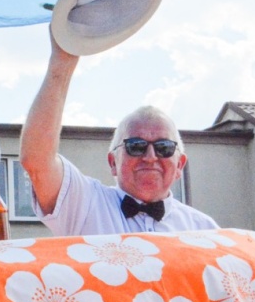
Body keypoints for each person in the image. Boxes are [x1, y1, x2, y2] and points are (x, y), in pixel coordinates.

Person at [19, 33, 218, 236]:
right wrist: (63, 60)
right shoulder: (85, 205)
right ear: (113, 162)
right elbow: (37, 160)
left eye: (164, 148)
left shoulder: (205, 231)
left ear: (180, 166)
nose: (150, 157)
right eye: (136, 146)